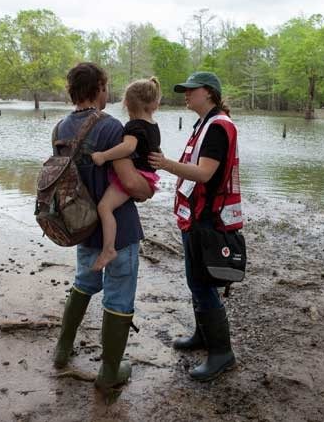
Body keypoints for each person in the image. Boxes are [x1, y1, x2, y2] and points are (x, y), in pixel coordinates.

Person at [52, 62, 153, 395]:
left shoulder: (60, 128)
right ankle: (110, 371)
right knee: (119, 296)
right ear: (97, 88)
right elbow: (129, 182)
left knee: (83, 282)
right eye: (106, 86)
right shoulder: (111, 128)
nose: (108, 92)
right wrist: (149, 188)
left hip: (82, 226)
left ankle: (62, 350)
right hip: (118, 231)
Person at [149, 71, 243, 382]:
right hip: (196, 214)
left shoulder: (217, 127)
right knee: (197, 281)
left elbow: (203, 174)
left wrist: (164, 164)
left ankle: (222, 353)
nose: (186, 94)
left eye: (192, 90)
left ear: (210, 93)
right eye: (184, 89)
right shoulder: (206, 123)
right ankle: (203, 336)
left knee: (203, 284)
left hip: (207, 217)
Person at [90, 77, 162, 271]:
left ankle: (108, 249)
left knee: (104, 207)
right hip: (148, 175)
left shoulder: (133, 126)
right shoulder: (153, 126)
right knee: (107, 207)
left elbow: (128, 147)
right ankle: (109, 249)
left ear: (127, 104)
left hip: (136, 174)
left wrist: (103, 156)